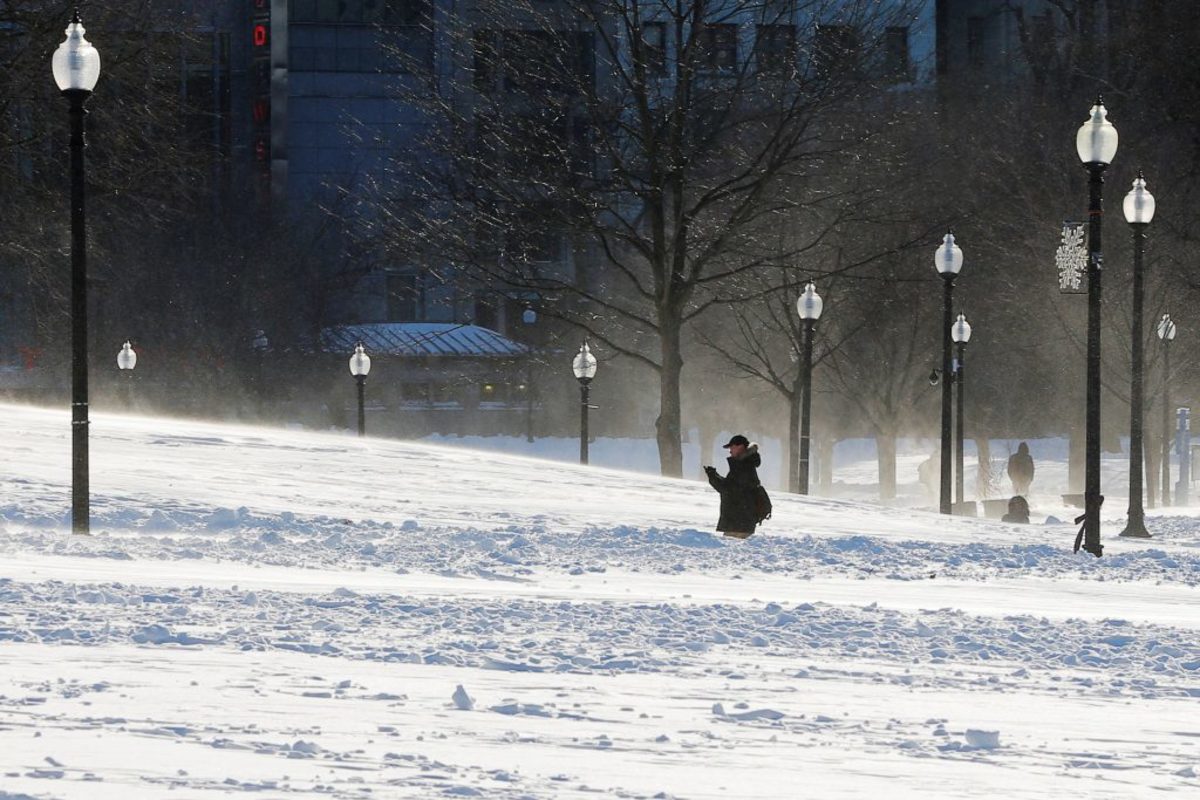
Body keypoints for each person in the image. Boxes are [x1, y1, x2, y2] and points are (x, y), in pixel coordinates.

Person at [704, 434, 762, 539]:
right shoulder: (745, 464)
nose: (730, 450)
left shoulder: (743, 466)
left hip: (738, 524)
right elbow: (731, 486)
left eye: (732, 447)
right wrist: (714, 476)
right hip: (740, 522)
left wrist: (713, 477)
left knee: (734, 552)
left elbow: (728, 490)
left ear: (740, 447)